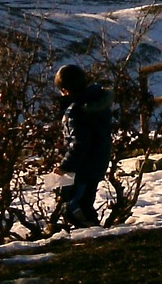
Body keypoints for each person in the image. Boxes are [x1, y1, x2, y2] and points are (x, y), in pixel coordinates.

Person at [53, 64, 113, 229]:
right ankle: (92, 229)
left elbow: (79, 143)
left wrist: (65, 166)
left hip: (82, 166)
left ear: (65, 90)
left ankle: (91, 231)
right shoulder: (98, 103)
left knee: (74, 205)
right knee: (86, 200)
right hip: (98, 161)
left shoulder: (76, 111)